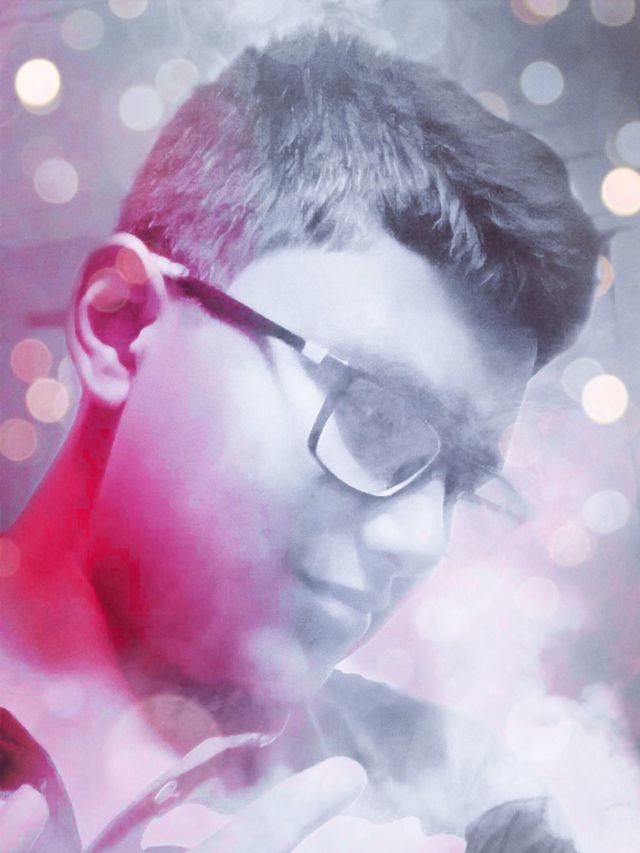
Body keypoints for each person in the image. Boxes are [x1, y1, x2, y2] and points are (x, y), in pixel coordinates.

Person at [0, 28, 600, 852]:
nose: (419, 538)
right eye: (373, 413)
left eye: (459, 479)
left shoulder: (478, 809)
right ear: (121, 325)